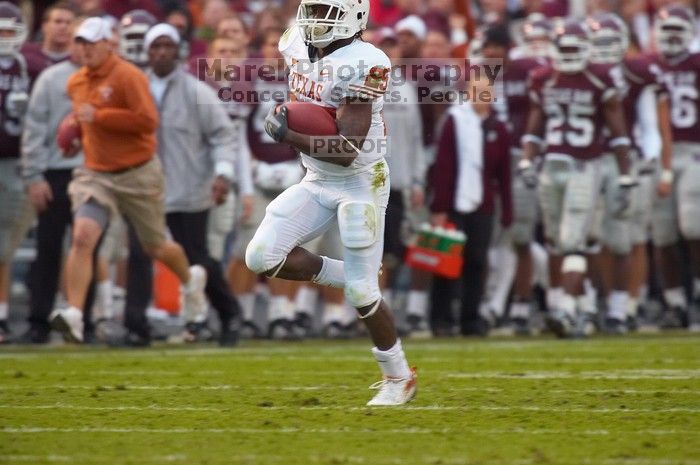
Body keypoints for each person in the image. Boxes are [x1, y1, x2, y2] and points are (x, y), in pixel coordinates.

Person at [247, 0, 416, 405]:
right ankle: (355, 277)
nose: (317, 19)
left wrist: (288, 134)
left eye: (329, 12)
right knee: (261, 256)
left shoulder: (367, 61)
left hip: (360, 179)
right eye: (314, 8)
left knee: (361, 296)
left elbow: (346, 149)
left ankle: (399, 377)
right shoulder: (294, 42)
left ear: (356, 16)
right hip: (316, 178)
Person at [49, 17, 208, 344]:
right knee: (82, 236)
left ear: (111, 43)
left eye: (92, 42)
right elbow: (82, 121)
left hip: (138, 172)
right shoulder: (76, 82)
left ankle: (190, 280)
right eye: (81, 42)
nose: (85, 48)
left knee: (156, 245)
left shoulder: (129, 76)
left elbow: (148, 122)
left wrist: (101, 117)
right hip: (96, 173)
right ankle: (75, 314)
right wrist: (74, 137)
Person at [518, 19, 634, 338]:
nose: (569, 53)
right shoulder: (543, 78)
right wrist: (528, 160)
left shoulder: (600, 78)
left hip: (586, 165)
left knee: (573, 241)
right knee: (557, 241)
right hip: (552, 165)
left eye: (574, 48)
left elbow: (619, 133)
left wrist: (625, 175)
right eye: (564, 47)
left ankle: (566, 311)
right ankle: (585, 306)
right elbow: (535, 124)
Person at [144, 23, 241, 346]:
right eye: (154, 46)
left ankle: (226, 313)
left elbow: (224, 135)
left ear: (178, 50)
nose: (160, 52)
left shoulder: (197, 91)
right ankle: (137, 320)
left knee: (196, 256)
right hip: (146, 189)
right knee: (141, 253)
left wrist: (223, 172)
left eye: (166, 45)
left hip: (189, 188)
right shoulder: (137, 87)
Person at [428, 76, 513, 336]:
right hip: (454, 202)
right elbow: (444, 165)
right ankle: (441, 319)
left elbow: (504, 173)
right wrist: (439, 207)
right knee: (447, 263)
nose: (481, 96)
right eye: (476, 91)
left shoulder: (497, 127)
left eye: (486, 91)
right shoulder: (455, 121)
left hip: (482, 203)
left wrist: (508, 208)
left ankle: (470, 319)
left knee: (476, 262)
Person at [20, 17, 87, 344]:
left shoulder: (110, 78)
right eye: (78, 40)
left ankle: (80, 320)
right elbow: (33, 130)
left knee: (87, 247)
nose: (82, 47)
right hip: (55, 174)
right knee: (48, 250)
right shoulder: (50, 78)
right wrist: (34, 175)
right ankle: (38, 321)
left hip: (91, 173)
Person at [651, 4, 700, 328]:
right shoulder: (646, 65)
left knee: (693, 226)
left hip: (694, 149)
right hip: (657, 154)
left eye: (676, 31)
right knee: (663, 233)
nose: (670, 38)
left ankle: (696, 293)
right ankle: (674, 302)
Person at [0, 1, 46, 343]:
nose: (4, 38)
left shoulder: (29, 66)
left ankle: (1, 316)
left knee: (5, 245)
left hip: (16, 162)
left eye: (9, 31)